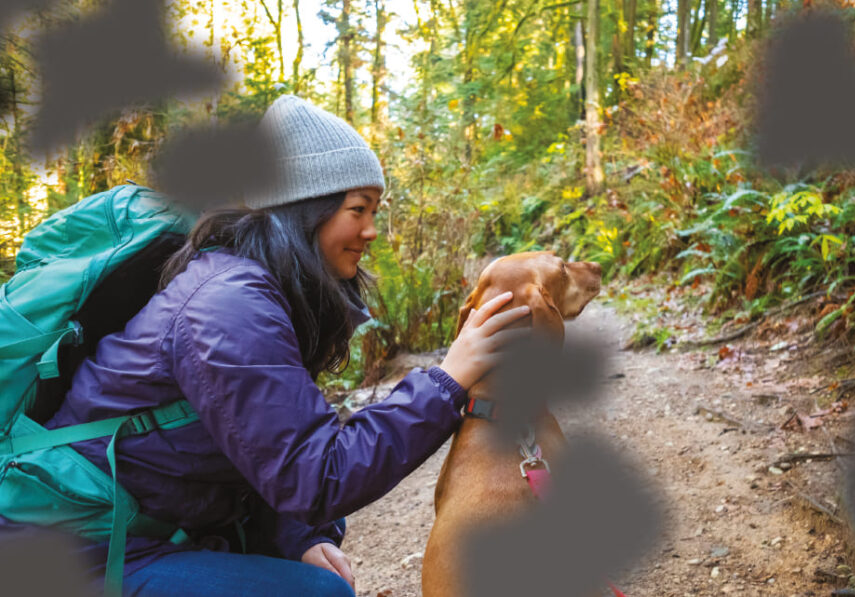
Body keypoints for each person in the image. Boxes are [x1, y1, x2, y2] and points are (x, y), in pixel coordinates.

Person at [35, 95, 530, 596]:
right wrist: (447, 381)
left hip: (146, 529)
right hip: (83, 550)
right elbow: (318, 477)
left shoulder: (257, 291)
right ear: (304, 209)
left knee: (313, 560)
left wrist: (298, 538)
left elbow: (266, 453)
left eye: (374, 210)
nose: (372, 230)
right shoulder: (227, 306)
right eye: (358, 209)